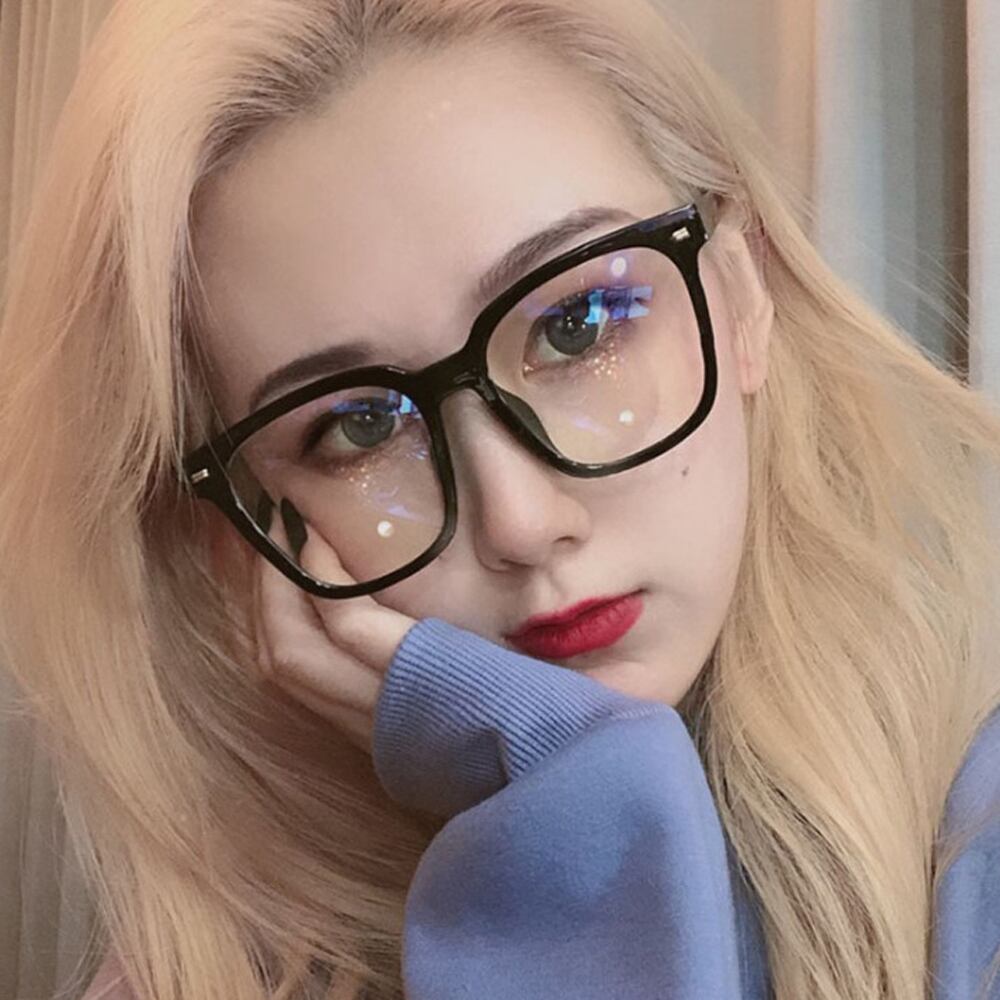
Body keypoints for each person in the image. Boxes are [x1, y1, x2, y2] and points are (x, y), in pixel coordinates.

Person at [1, 0, 999, 998]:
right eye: (357, 427)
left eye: (579, 324)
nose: (520, 522)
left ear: (743, 294)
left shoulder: (973, 829)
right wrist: (578, 828)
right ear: (249, 531)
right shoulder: (206, 971)